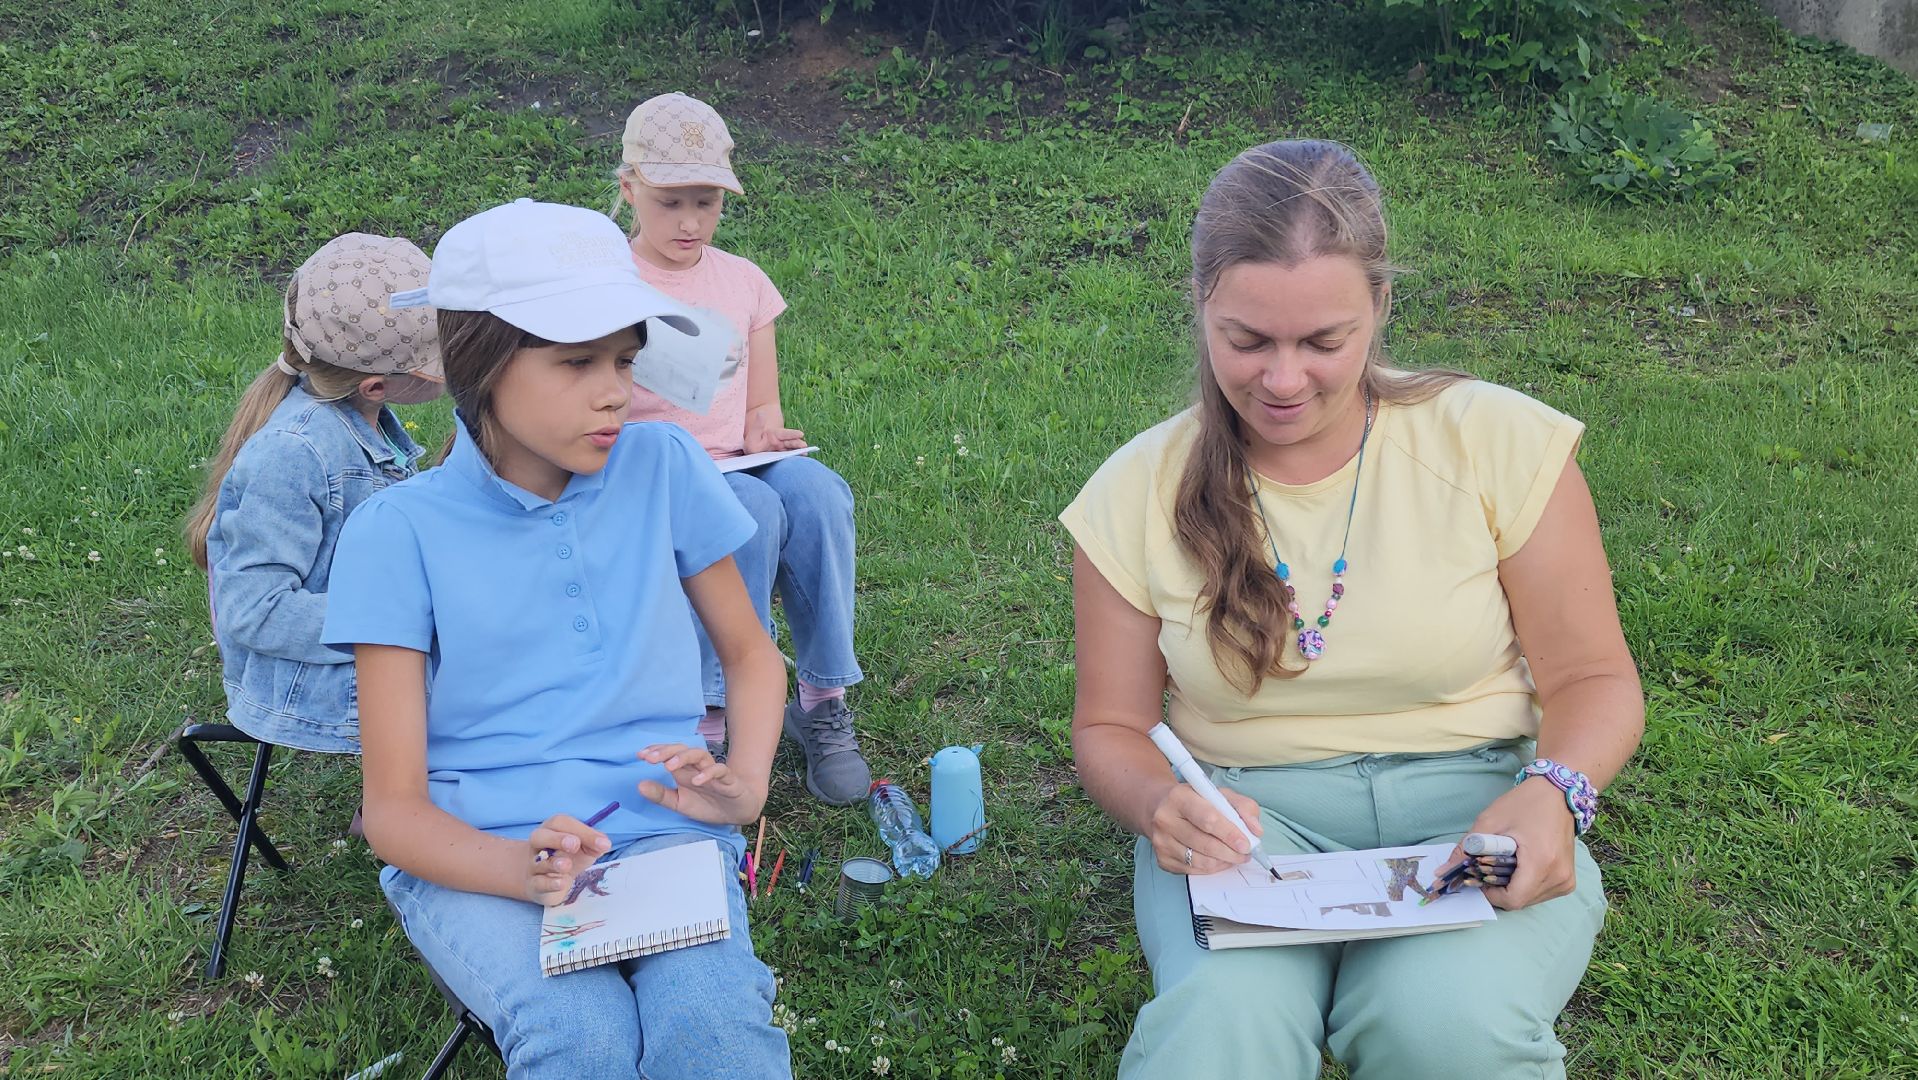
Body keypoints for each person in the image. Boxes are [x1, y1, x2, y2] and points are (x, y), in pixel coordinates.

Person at [1060, 139, 1645, 1078]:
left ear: (1379, 307)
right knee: (1216, 1035)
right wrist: (1161, 802)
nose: (1283, 381)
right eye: (1247, 341)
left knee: (1444, 1027)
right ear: (1201, 307)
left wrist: (1554, 794)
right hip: (1247, 825)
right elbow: (1111, 724)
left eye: (1323, 343)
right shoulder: (1136, 491)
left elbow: (1592, 677)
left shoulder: (1493, 439)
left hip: (1479, 805)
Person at [321, 199, 792, 1078]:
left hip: (666, 832)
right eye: (576, 361)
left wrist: (745, 790)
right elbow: (392, 811)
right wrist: (519, 869)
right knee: (583, 1037)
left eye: (623, 358)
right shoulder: (398, 533)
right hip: (480, 852)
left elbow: (754, 656)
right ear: (481, 364)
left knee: (715, 1033)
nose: (614, 388)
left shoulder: (666, 467)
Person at [614, 91, 870, 805]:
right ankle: (715, 706)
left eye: (707, 202)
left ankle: (822, 699)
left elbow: (761, 403)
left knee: (817, 492)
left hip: (733, 457)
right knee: (749, 507)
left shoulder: (744, 282)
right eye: (670, 202)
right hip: (649, 462)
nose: (690, 221)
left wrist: (765, 429)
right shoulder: (609, 282)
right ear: (630, 187)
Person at [187, 233, 443, 754]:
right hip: (319, 690)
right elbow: (255, 611)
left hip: (374, 645)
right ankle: (408, 800)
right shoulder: (293, 453)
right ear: (375, 385)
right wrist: (406, 617)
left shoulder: (359, 420)